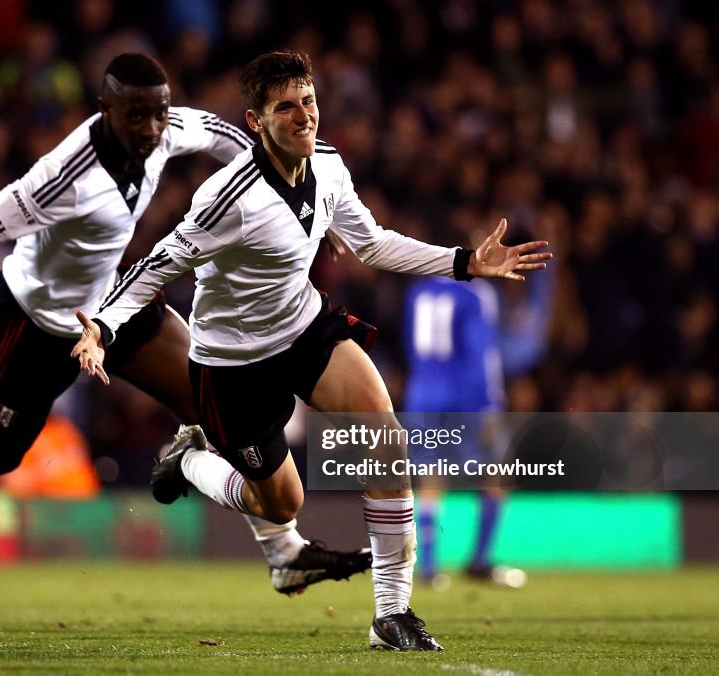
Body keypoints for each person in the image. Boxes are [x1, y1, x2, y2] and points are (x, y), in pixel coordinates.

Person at [0, 52, 371, 595]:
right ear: (105, 109)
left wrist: (304, 195)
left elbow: (236, 140)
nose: (153, 127)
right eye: (136, 115)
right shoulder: (62, 179)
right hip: (33, 324)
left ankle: (285, 555)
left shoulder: (168, 128)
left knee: (211, 401)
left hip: (112, 304)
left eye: (159, 111)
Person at [72, 50, 551, 651]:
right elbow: (157, 265)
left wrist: (463, 262)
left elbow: (371, 244)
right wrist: (103, 328)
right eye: (285, 108)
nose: (304, 116)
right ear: (256, 122)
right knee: (279, 504)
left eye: (309, 102)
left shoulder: (328, 166)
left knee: (386, 441)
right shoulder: (229, 198)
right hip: (233, 361)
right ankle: (192, 460)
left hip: (303, 328)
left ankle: (391, 614)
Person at [402, 275, 526, 589]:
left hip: (422, 394)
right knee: (498, 471)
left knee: (431, 474)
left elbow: (409, 344)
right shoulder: (475, 293)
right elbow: (480, 354)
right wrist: (488, 406)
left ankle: (429, 567)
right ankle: (480, 562)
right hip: (463, 396)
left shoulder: (418, 291)